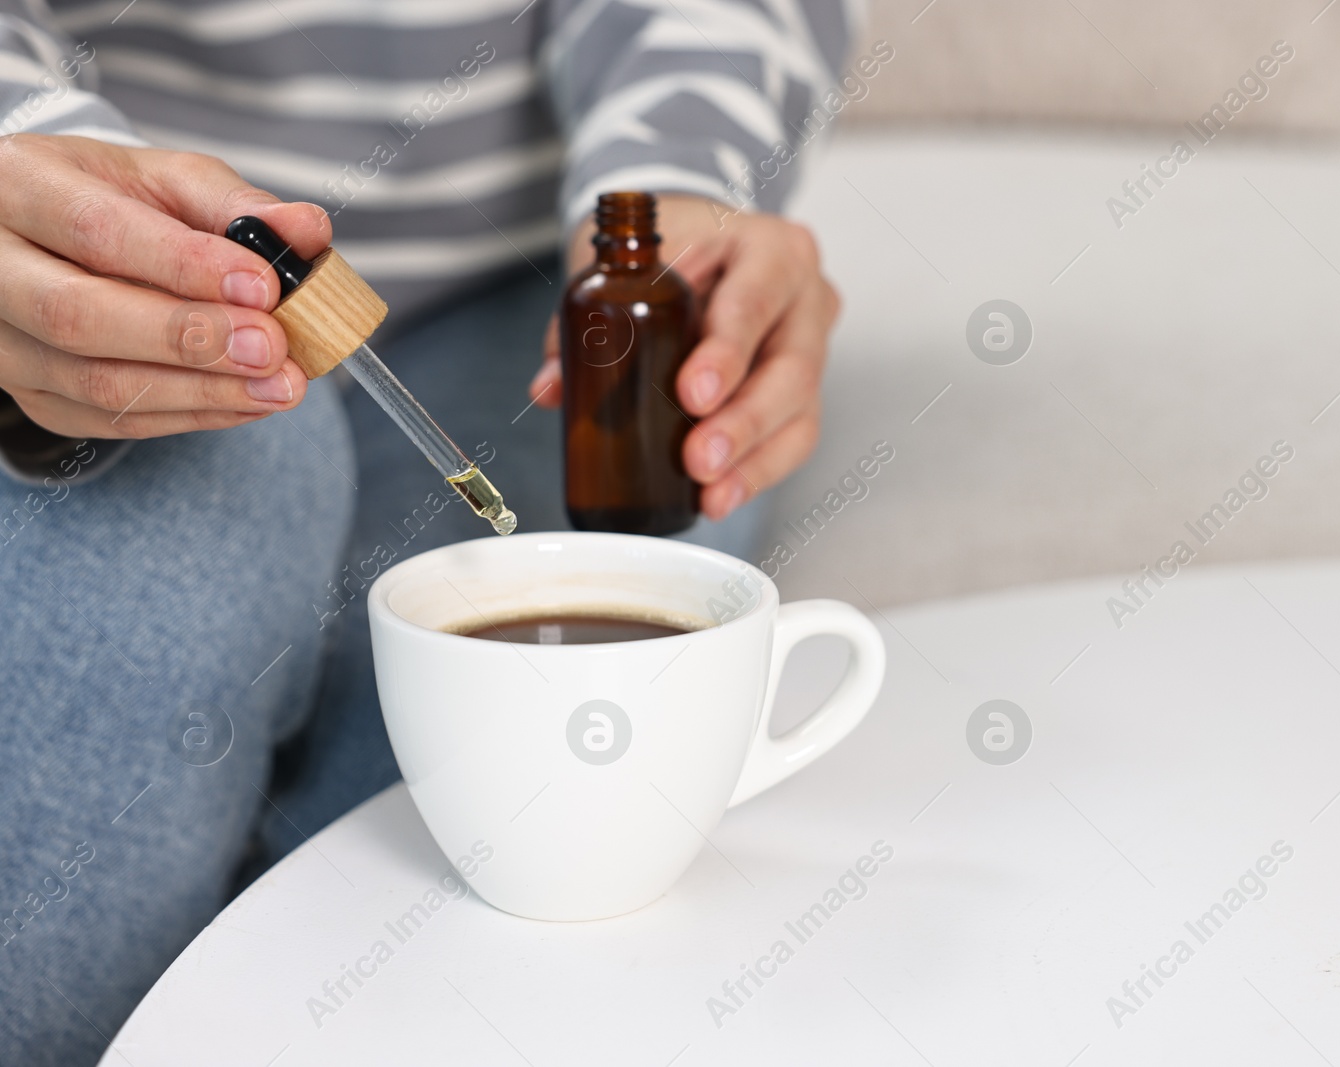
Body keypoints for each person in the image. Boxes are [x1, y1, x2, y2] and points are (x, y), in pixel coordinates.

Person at [0, 0, 846, 1059]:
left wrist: (675, 177)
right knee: (170, 588)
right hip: (90, 268)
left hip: (521, 272)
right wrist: (47, 192)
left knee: (520, 762)